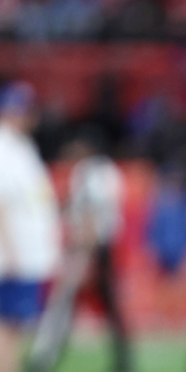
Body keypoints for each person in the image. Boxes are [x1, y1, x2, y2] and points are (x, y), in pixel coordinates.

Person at [27, 132, 130, 372]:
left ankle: (46, 357)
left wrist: (86, 250)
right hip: (95, 246)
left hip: (91, 248)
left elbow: (91, 212)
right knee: (89, 305)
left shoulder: (96, 171)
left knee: (69, 301)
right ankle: (122, 359)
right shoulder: (102, 171)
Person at [0, 83, 61, 372]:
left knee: (16, 325)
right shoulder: (4, 147)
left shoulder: (21, 147)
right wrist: (9, 252)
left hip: (27, 256)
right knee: (6, 324)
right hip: (12, 258)